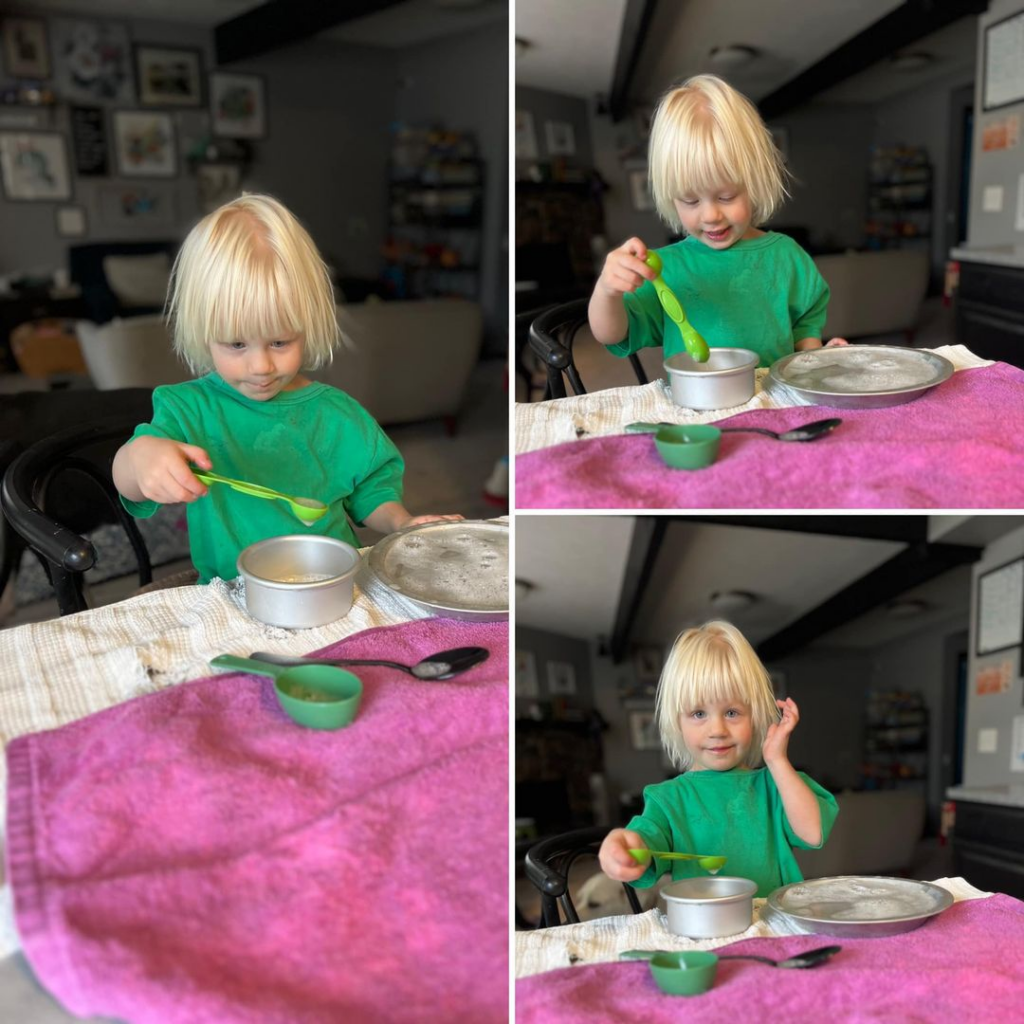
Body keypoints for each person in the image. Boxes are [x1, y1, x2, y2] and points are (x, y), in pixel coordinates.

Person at [112, 193, 461, 584]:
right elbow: (127, 481)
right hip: (232, 593)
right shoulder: (187, 410)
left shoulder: (336, 414)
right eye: (236, 344)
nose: (261, 366)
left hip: (333, 583)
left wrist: (403, 522)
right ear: (202, 332)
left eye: (280, 343)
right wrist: (141, 458)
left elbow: (371, 491)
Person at [588, 74, 848, 369]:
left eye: (726, 197)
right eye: (690, 201)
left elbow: (804, 332)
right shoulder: (663, 271)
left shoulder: (787, 257)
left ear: (755, 183)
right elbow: (610, 334)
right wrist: (608, 291)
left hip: (772, 403)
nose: (711, 215)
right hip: (696, 408)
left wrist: (818, 358)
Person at [598, 621, 838, 897]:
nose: (717, 731)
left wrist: (777, 761)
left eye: (732, 712)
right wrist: (625, 847)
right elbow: (645, 841)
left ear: (755, 715)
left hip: (771, 927)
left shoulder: (775, 785)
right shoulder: (669, 799)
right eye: (699, 713)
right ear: (677, 722)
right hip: (703, 933)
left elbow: (813, 833)